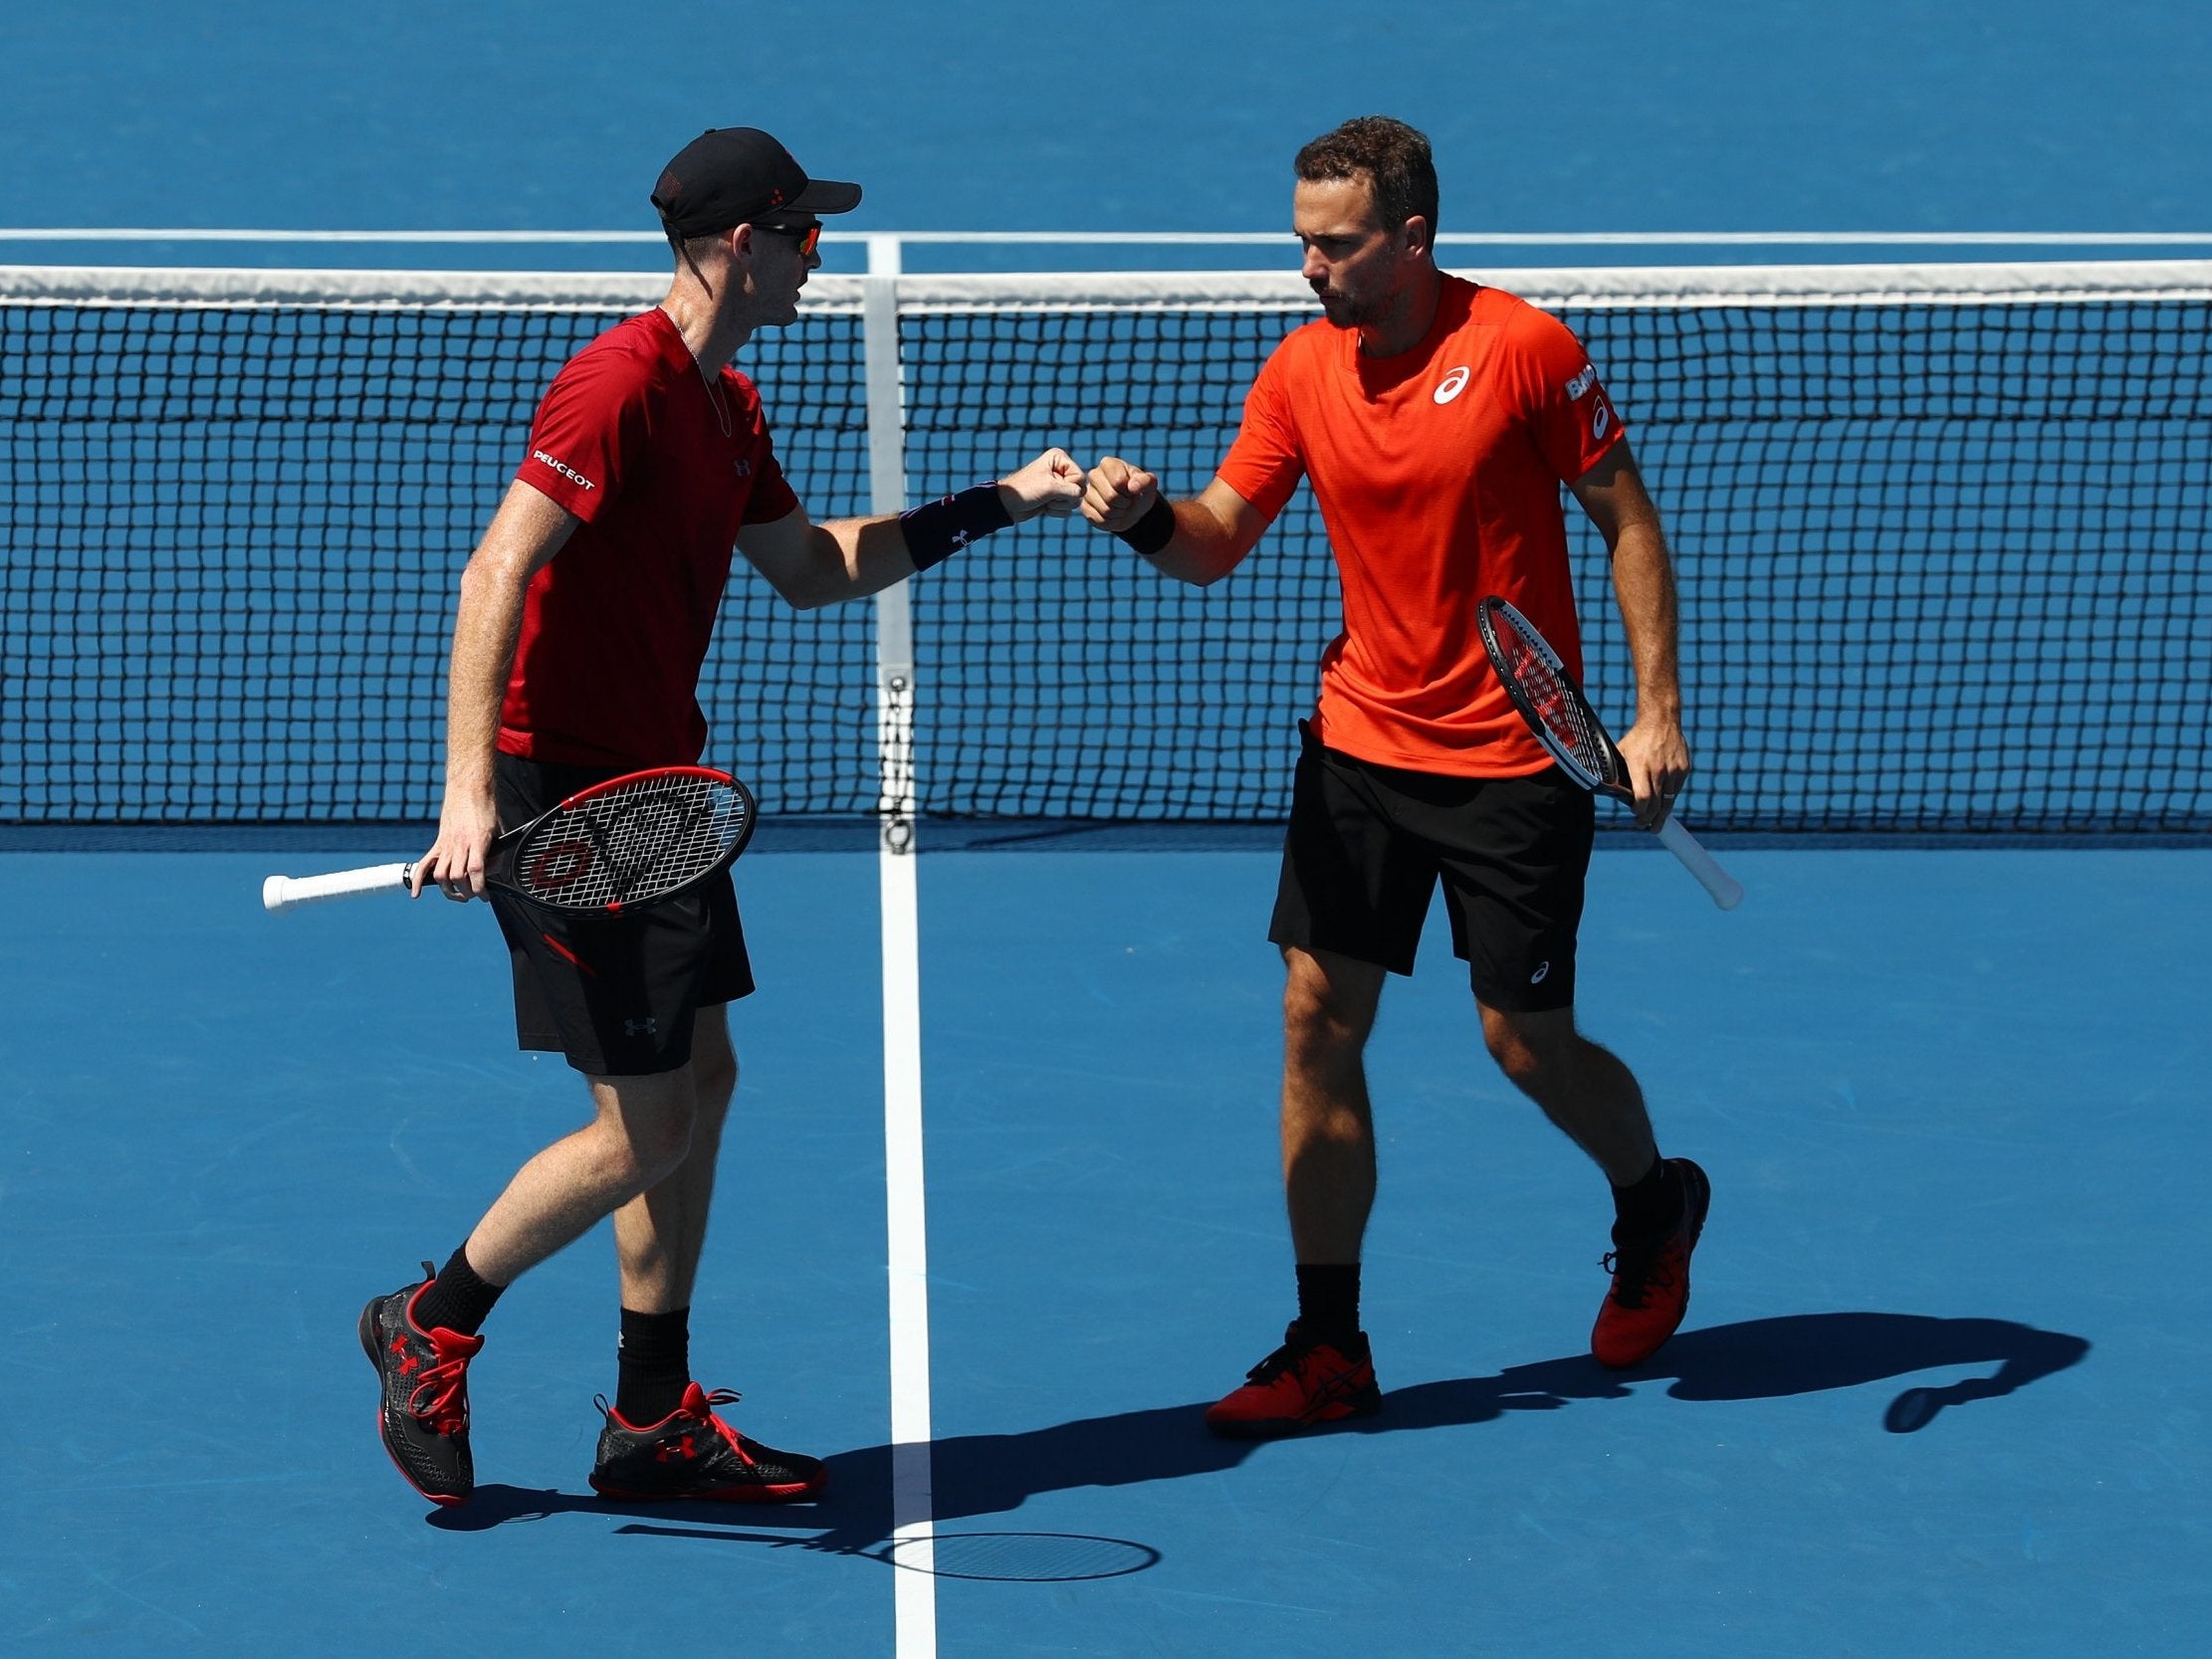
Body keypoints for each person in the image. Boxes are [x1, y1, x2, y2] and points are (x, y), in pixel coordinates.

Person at [361, 125, 1083, 1506]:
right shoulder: (615, 387)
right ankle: (430, 1324)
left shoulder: (728, 406)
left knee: (701, 1086)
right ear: (739, 245)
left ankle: (649, 1416)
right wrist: (465, 794)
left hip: (658, 794)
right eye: (802, 235)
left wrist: (1004, 501)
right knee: (643, 1129)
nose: (818, 259)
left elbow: (811, 571)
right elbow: (491, 573)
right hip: (561, 798)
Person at [1080, 115, 1709, 1438]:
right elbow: (1215, 542)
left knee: (1521, 1044)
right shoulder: (1301, 371)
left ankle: (1653, 1200)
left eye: (1335, 244)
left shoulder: (1524, 351)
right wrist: (1144, 517)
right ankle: (1328, 1344)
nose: (1308, 267)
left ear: (1411, 238)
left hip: (1511, 763)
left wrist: (1653, 716)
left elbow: (1626, 519)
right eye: (1299, 241)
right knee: (1317, 1023)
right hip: (1357, 746)